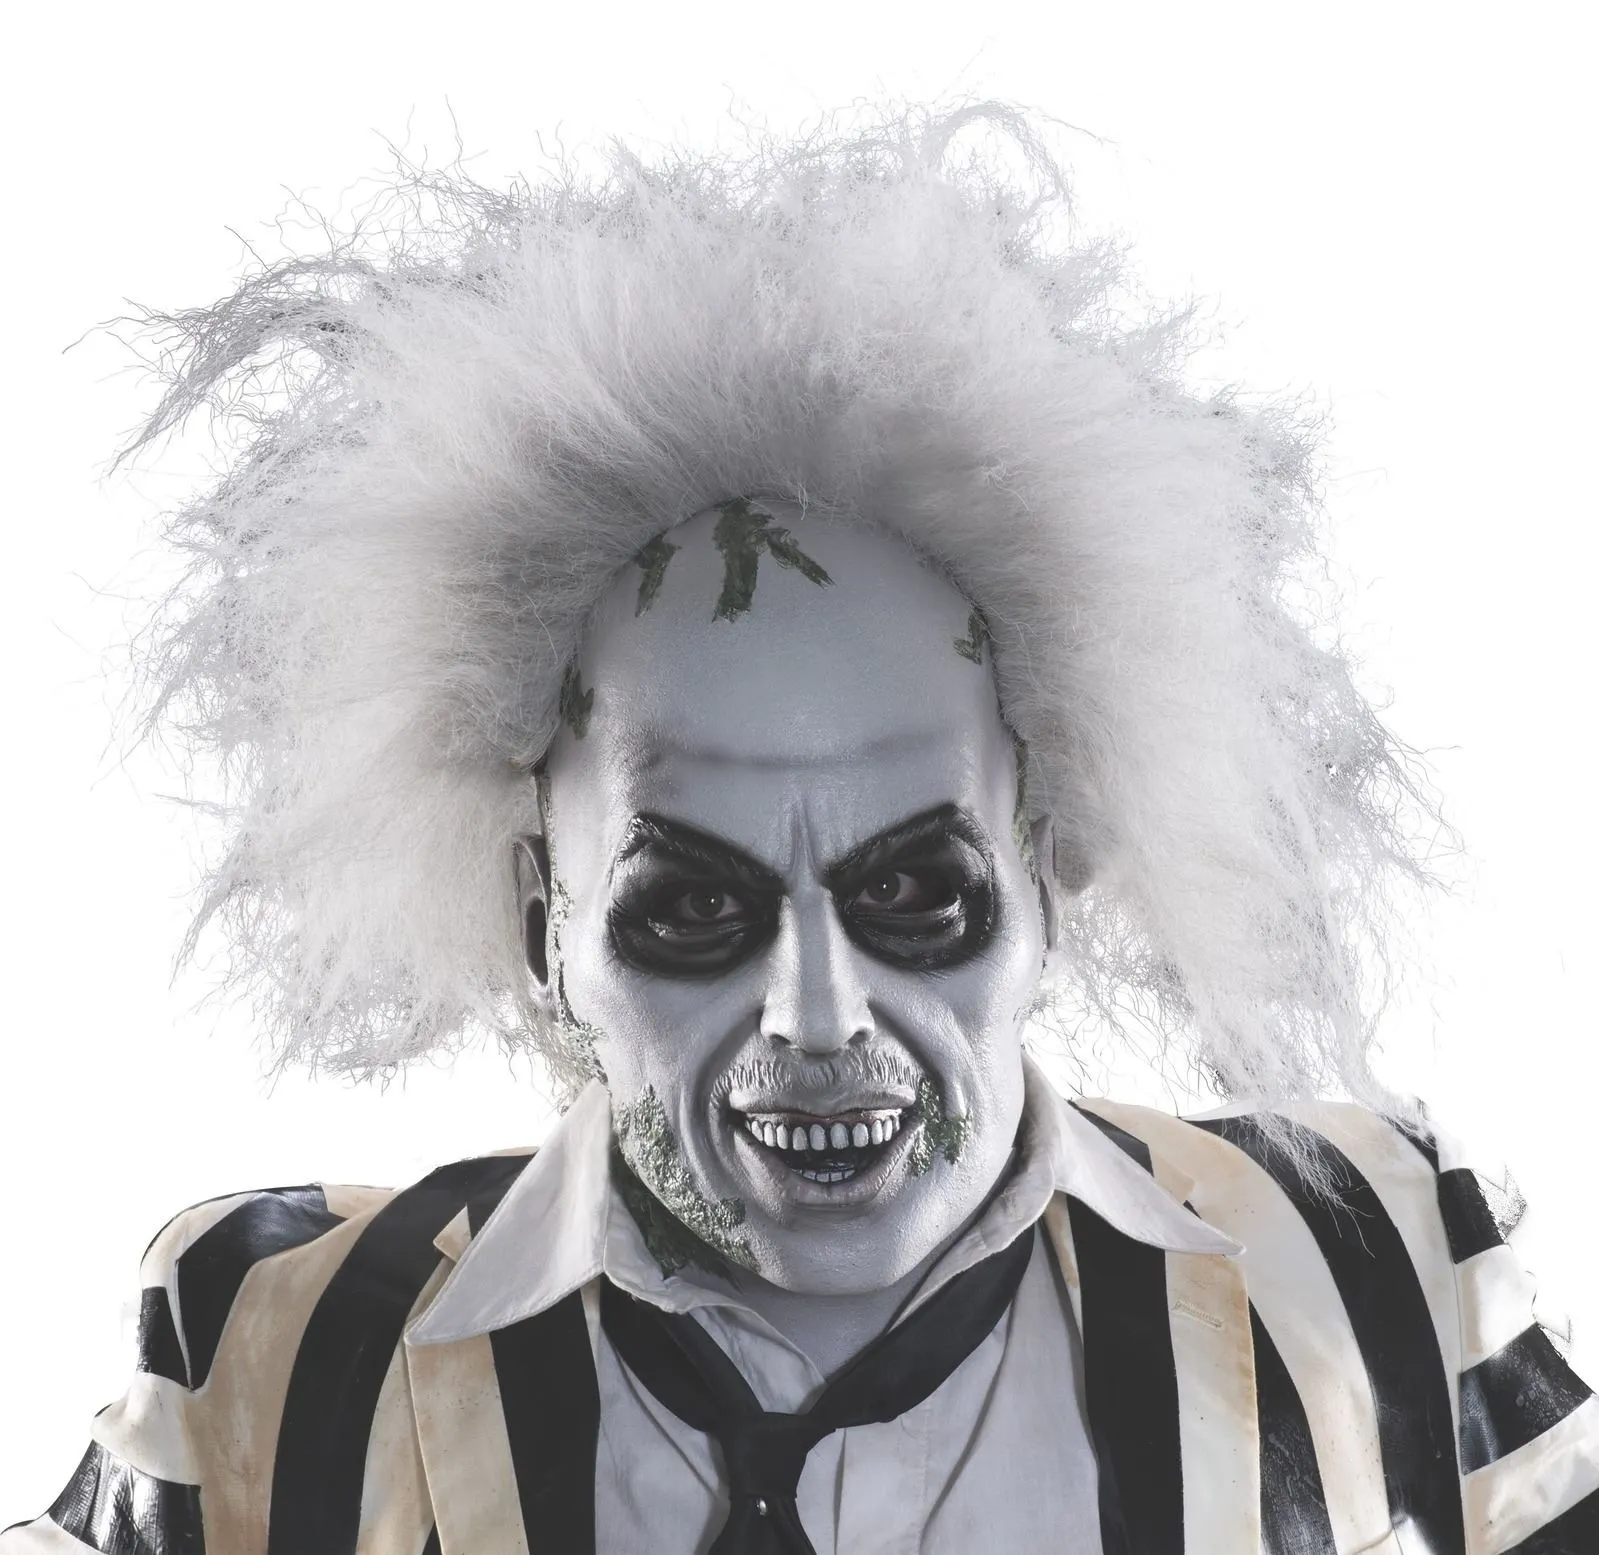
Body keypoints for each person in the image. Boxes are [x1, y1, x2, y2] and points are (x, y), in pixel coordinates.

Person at [4, 104, 1594, 1555]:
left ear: (1045, 875)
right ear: (543, 925)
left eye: (915, 890)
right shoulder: (278, 1348)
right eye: (693, 908)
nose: (816, 1019)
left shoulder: (1365, 1262)